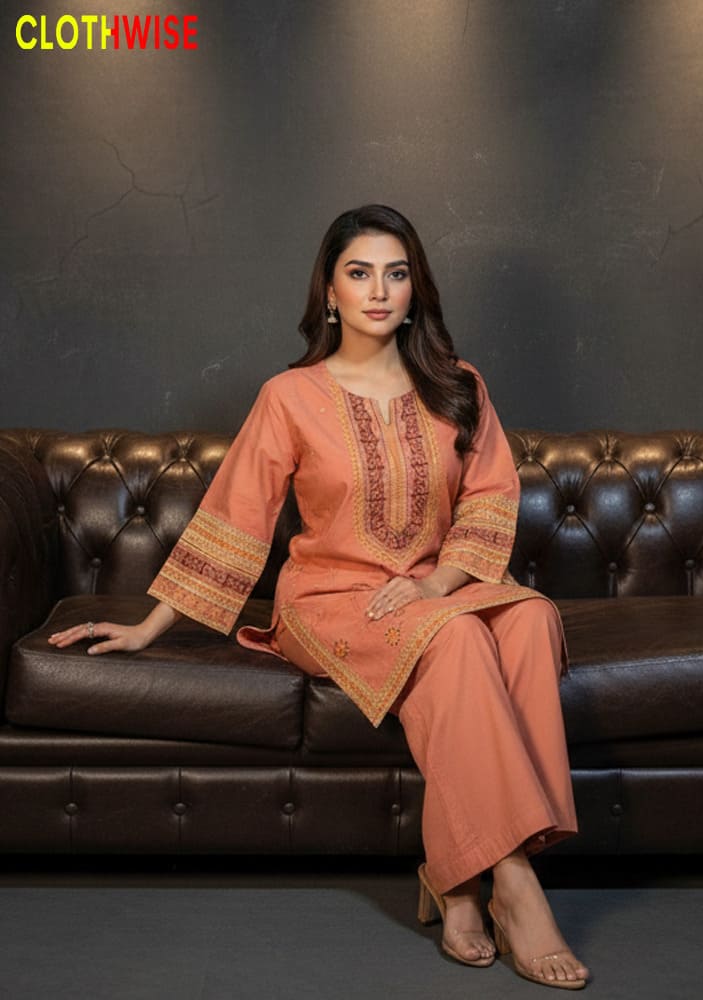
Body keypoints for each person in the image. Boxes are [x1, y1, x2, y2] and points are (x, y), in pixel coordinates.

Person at [50, 205, 590, 990]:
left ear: (415, 289)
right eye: (359, 273)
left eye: (396, 274)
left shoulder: (459, 385)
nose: (380, 291)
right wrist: (148, 627)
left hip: (432, 589)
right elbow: (236, 514)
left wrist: (435, 582)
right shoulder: (291, 396)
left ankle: (457, 881)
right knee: (458, 638)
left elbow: (490, 495)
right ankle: (512, 882)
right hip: (329, 600)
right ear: (330, 293)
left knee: (532, 617)